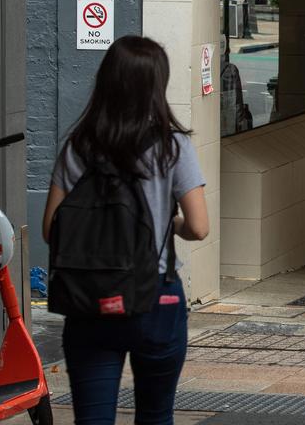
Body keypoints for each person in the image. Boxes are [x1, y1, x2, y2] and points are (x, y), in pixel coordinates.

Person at [42, 36, 210, 425]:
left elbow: (52, 228)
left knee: (93, 418)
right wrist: (169, 222)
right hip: (156, 297)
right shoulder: (173, 147)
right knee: (155, 415)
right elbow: (199, 228)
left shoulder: (79, 146)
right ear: (157, 85)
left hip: (90, 302)